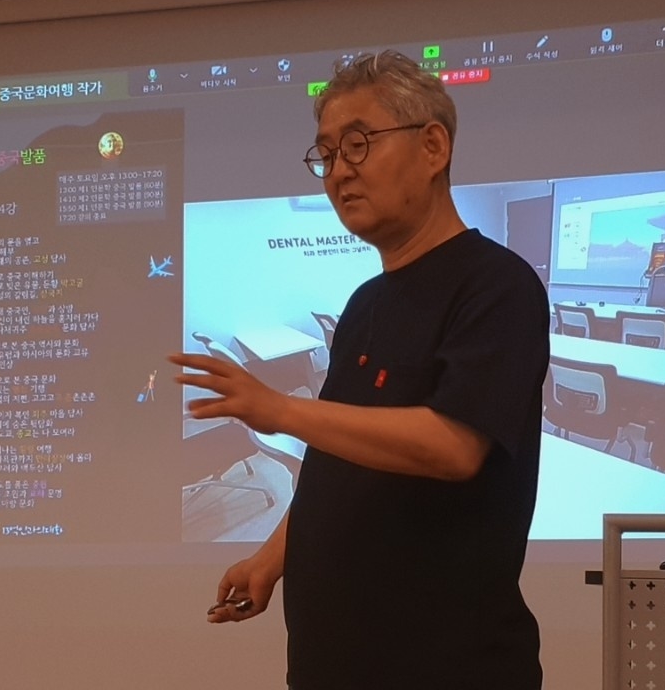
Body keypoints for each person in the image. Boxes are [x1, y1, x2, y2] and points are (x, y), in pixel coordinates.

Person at [170, 50, 549, 690]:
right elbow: (337, 461)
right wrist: (273, 556)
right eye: (327, 154)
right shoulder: (365, 302)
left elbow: (454, 446)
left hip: (446, 666)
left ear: (433, 147)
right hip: (332, 661)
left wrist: (279, 409)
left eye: (358, 144)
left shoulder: (497, 285)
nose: (339, 170)